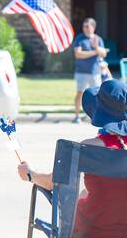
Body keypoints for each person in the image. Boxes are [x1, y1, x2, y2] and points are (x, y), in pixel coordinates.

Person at [18, 79, 127, 237]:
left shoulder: (88, 148)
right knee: (85, 193)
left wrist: (30, 174)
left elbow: (54, 182)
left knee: (82, 196)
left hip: (91, 231)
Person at [72, 18, 107, 123]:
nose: (85, 28)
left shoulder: (98, 39)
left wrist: (96, 47)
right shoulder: (79, 38)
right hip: (81, 72)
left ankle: (95, 116)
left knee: (96, 95)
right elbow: (78, 54)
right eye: (84, 26)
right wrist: (95, 52)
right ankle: (77, 116)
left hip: (95, 72)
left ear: (93, 27)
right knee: (80, 93)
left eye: (87, 26)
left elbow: (103, 54)